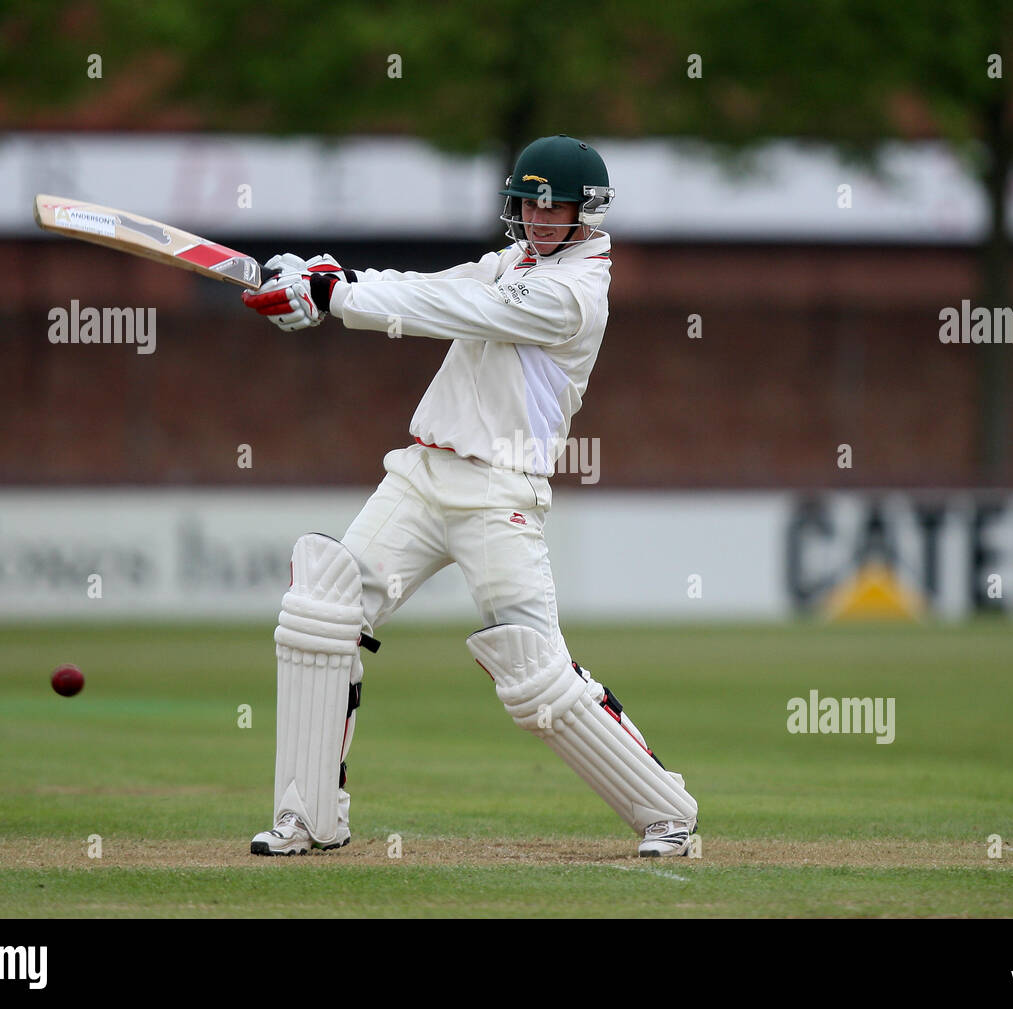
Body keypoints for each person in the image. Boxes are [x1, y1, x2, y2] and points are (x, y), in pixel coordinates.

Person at [242, 135, 698, 858]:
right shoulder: (510, 262)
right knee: (320, 610)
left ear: (588, 212)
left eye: (558, 207)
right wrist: (334, 275)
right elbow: (438, 283)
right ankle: (310, 817)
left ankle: (666, 809)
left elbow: (457, 310)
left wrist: (333, 295)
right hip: (422, 475)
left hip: (499, 491)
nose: (542, 218)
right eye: (530, 203)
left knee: (534, 674)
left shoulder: (573, 292)